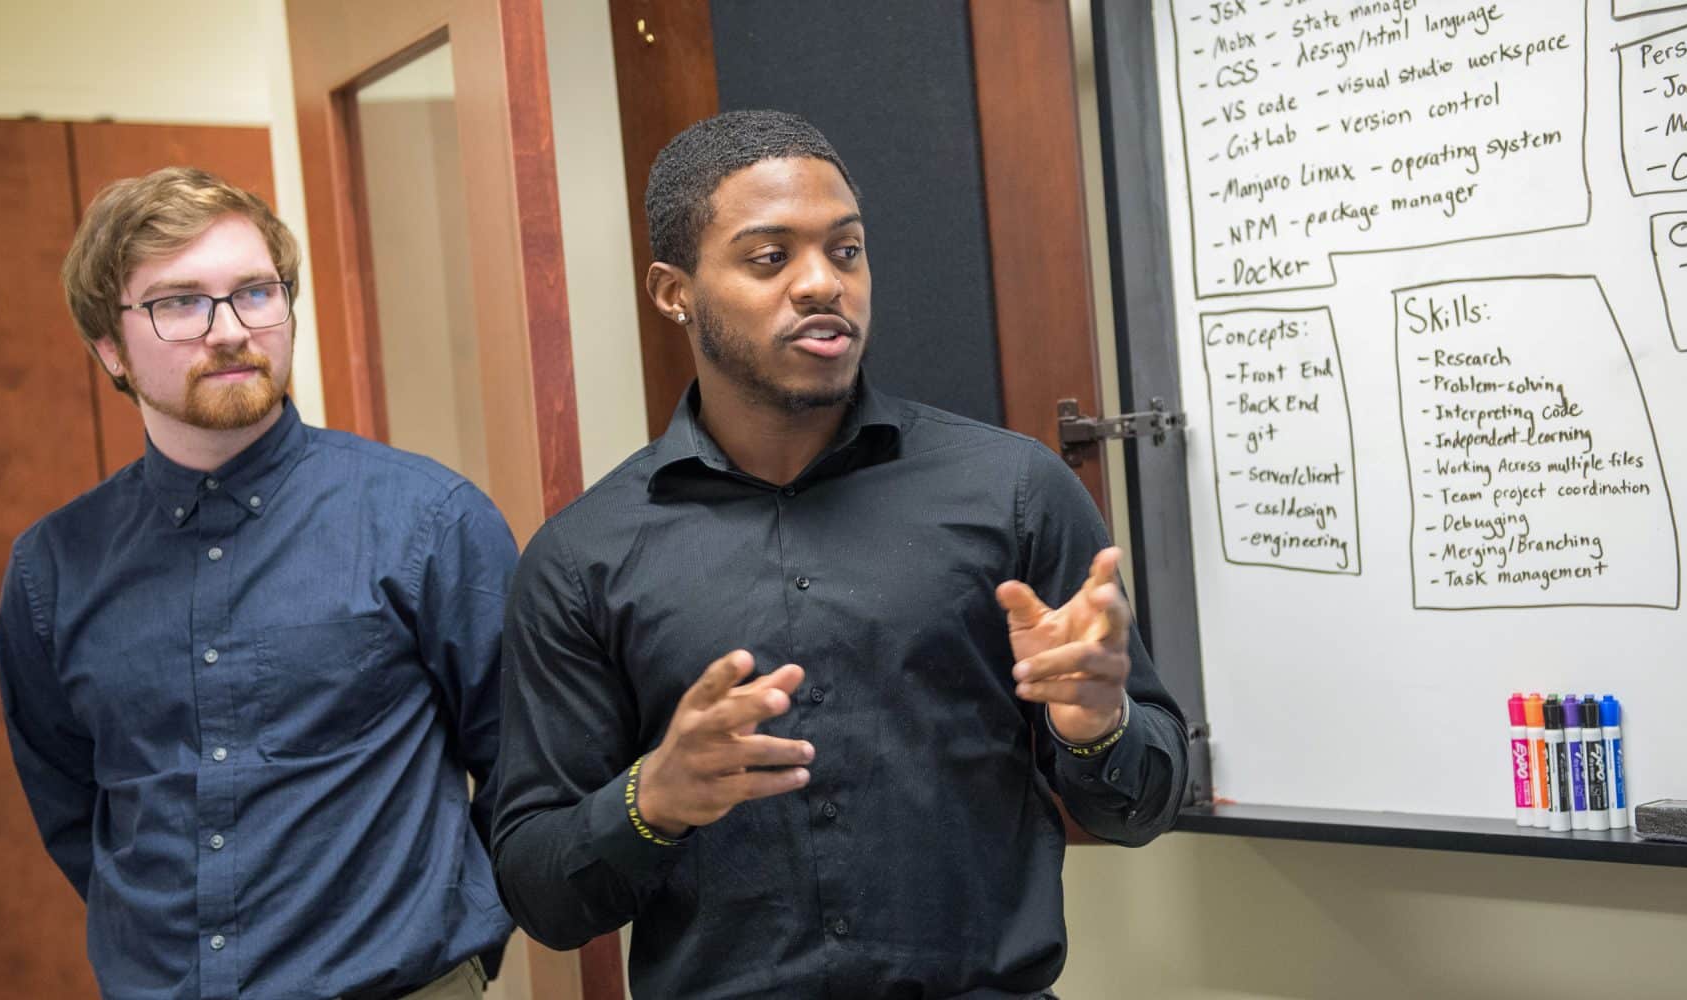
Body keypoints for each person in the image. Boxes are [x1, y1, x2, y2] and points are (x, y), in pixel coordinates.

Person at [490, 110, 1188, 998]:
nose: (823, 284)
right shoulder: (581, 557)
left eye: (846, 251)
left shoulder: (1013, 492)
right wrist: (652, 801)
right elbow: (541, 893)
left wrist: (1098, 727)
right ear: (674, 292)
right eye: (769, 257)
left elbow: (1144, 806)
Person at [0, 167, 513, 998]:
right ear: (109, 348)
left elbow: (523, 764)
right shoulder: (51, 568)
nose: (230, 329)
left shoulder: (428, 520)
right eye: (179, 303)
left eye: (255, 292)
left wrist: (461, 943)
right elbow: (72, 810)